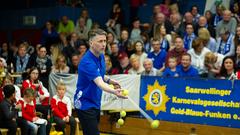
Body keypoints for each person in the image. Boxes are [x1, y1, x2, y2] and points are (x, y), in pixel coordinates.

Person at [74, 29, 127, 135]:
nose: (103, 44)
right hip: (84, 104)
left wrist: (109, 80)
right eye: (100, 41)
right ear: (91, 42)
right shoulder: (87, 62)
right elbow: (99, 83)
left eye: (104, 41)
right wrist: (114, 91)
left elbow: (100, 75)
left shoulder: (101, 56)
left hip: (95, 102)